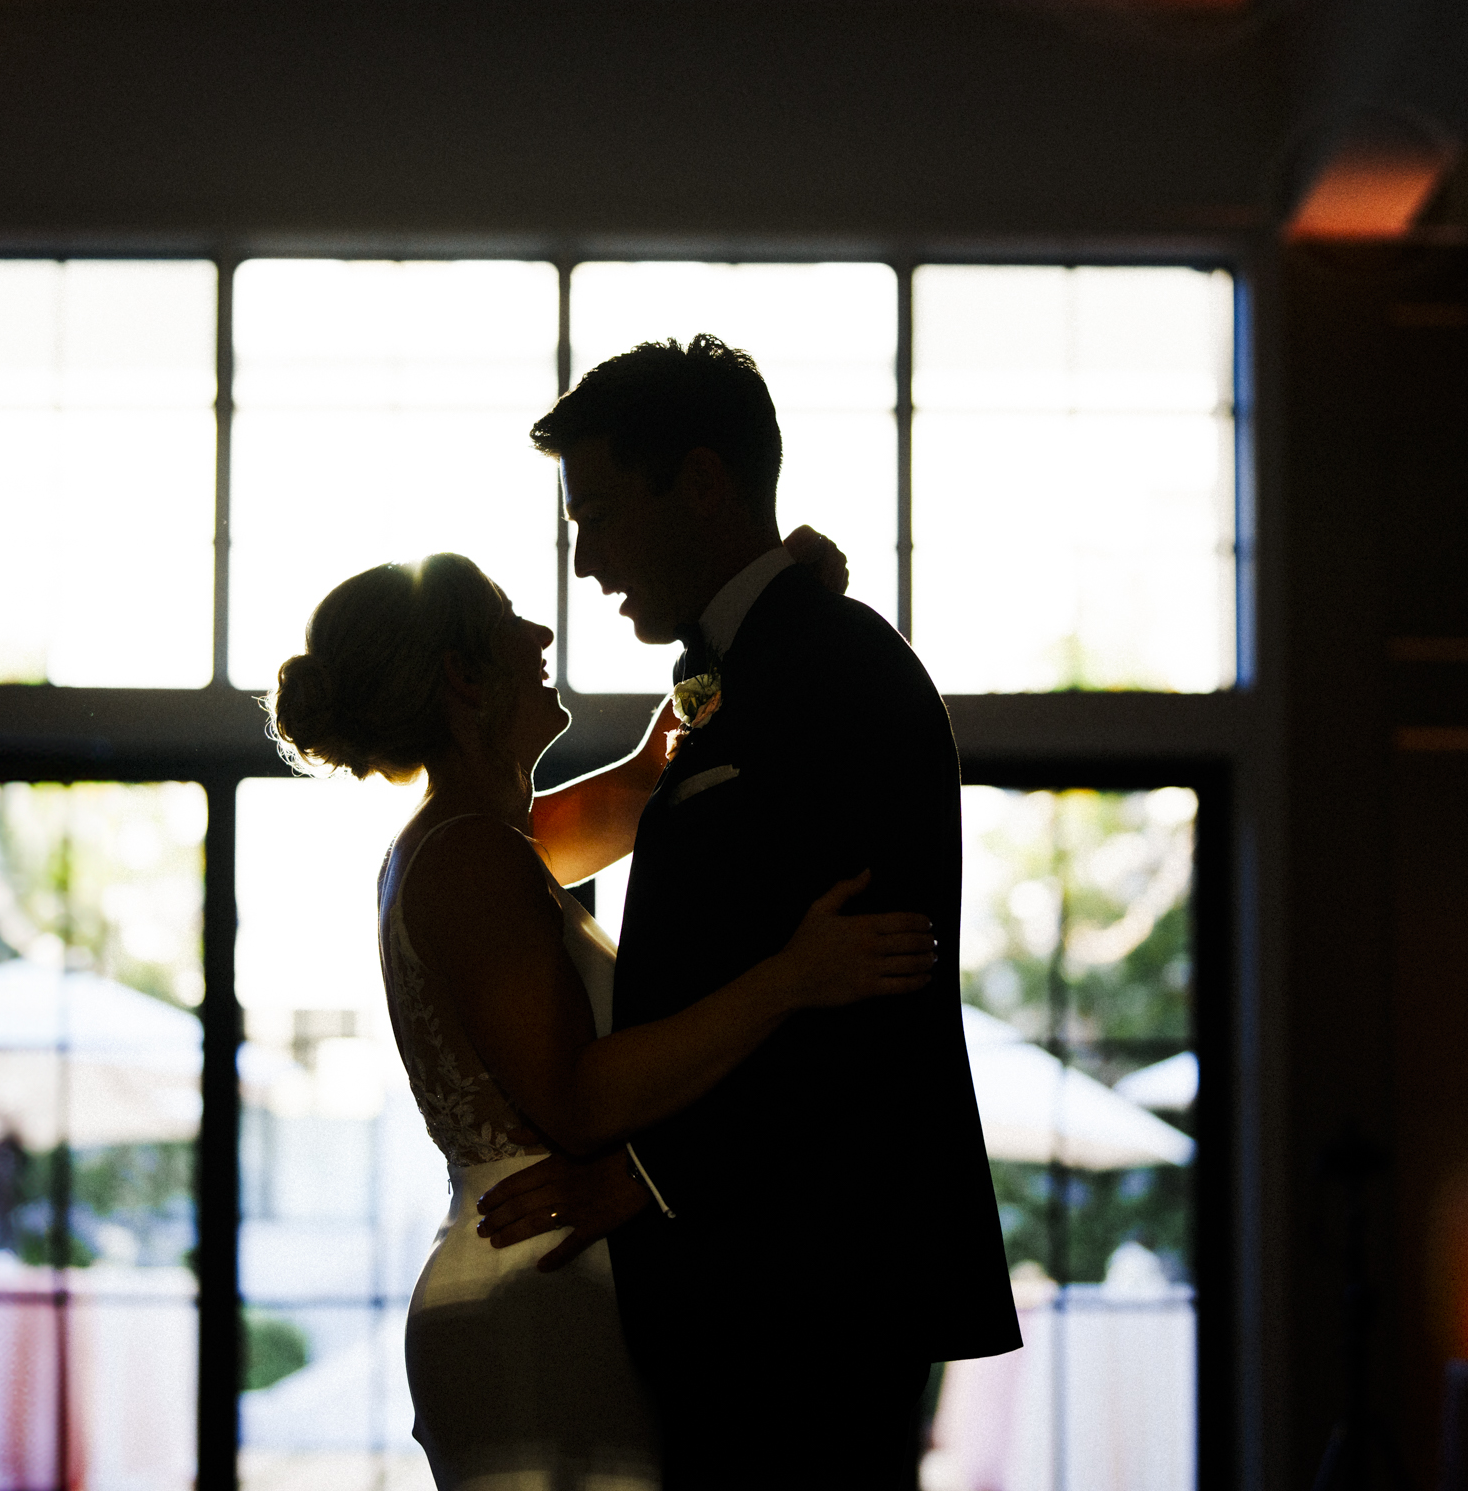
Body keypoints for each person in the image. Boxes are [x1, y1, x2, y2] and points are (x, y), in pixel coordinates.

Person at [267, 535, 929, 1491]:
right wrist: (791, 978)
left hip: (546, 1278)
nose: (542, 631)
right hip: (534, 1296)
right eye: (508, 625)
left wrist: (756, 638)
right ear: (463, 677)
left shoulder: (479, 841)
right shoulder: (466, 857)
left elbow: (632, 794)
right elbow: (576, 1100)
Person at [488, 334, 1023, 1488]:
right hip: (756, 1280)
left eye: (599, 513)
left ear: (702, 481)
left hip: (816, 1280)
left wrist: (652, 1175)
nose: (585, 562)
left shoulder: (840, 670)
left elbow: (872, 989)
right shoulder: (756, 669)